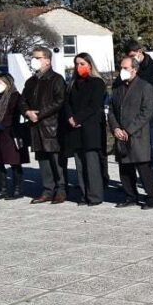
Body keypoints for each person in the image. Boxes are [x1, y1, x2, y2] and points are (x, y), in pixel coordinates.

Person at [108, 57, 153, 209]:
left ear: (134, 70)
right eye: (120, 68)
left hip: (137, 133)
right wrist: (116, 128)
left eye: (125, 68)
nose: (121, 71)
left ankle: (150, 197)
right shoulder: (117, 88)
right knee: (124, 167)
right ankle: (130, 195)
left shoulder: (145, 86)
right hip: (120, 134)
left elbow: (147, 111)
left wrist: (129, 130)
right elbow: (111, 111)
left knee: (143, 167)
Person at [21, 46, 67, 204]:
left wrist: (39, 114)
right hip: (35, 127)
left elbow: (59, 101)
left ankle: (61, 190)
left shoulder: (56, 79)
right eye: (33, 57)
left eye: (37, 58)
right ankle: (48, 190)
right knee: (42, 159)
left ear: (47, 60)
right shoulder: (31, 81)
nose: (33, 60)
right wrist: (27, 112)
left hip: (51, 126)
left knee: (56, 160)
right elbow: (22, 100)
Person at [62, 53, 106, 206]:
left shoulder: (97, 83)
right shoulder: (73, 83)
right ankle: (83, 194)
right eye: (76, 64)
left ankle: (94, 195)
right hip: (74, 128)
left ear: (89, 65)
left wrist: (78, 118)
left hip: (90, 127)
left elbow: (94, 105)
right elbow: (66, 103)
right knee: (79, 163)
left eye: (82, 63)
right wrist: (70, 118)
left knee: (91, 163)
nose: (78, 67)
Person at [124, 40, 153, 192]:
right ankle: (134, 180)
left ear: (139, 52)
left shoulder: (151, 66)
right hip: (130, 116)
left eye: (133, 55)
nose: (132, 58)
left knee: (152, 146)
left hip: (146, 114)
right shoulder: (129, 67)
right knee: (132, 148)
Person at [0, 73, 28, 200]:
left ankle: (18, 189)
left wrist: (2, 125)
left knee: (14, 161)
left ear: (7, 83)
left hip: (10, 132)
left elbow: (16, 113)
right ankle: (2, 189)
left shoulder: (15, 96)